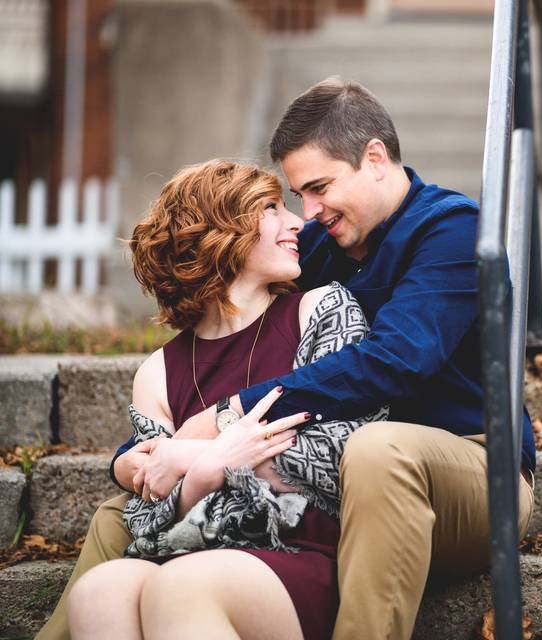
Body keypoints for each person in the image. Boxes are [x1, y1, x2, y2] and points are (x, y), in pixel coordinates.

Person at [38, 77, 536, 640]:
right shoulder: (324, 244)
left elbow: (397, 359)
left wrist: (228, 417)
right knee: (124, 507)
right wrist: (137, 460)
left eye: (319, 187)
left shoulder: (452, 231)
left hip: (470, 472)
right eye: (299, 196)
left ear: (375, 158)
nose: (310, 211)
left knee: (377, 451)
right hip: (355, 484)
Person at [65, 159, 348, 640]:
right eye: (271, 209)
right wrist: (206, 468)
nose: (297, 222)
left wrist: (187, 455)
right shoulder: (158, 372)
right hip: (190, 550)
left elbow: (339, 457)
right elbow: (147, 514)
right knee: (100, 590)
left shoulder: (321, 310)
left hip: (299, 553)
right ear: (222, 230)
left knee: (180, 585)